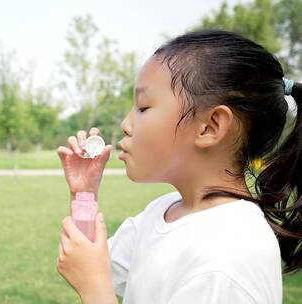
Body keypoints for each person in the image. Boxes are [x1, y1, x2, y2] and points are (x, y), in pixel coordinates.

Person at [56, 30, 302, 304]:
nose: (126, 125)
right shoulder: (165, 212)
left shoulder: (230, 254)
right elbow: (92, 262)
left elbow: (95, 279)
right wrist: (84, 195)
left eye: (143, 107)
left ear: (210, 127)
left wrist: (94, 290)